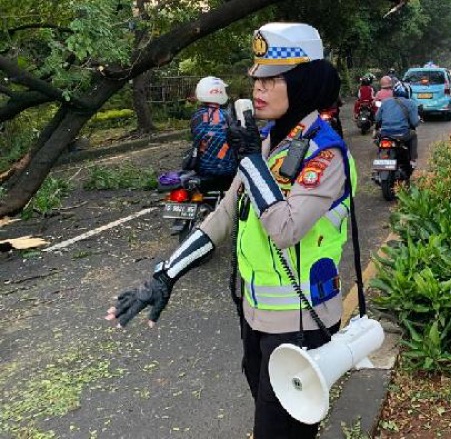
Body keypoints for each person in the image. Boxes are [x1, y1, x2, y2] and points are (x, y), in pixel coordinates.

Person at [106, 22, 356, 439]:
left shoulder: (324, 153)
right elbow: (222, 216)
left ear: (304, 82)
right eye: (257, 76)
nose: (258, 86)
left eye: (273, 78)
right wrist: (165, 274)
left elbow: (286, 228)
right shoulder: (265, 146)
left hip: (301, 325)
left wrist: (251, 164)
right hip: (255, 319)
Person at [190, 76, 237, 185]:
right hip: (228, 169)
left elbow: (195, 138)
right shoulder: (227, 115)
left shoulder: (197, 116)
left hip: (204, 169)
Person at [375, 81, 420, 169]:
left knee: (378, 140)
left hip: (385, 133)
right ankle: (412, 160)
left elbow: (377, 119)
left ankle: (380, 166)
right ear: (407, 92)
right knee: (413, 135)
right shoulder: (411, 103)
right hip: (402, 134)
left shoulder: (384, 102)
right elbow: (415, 123)